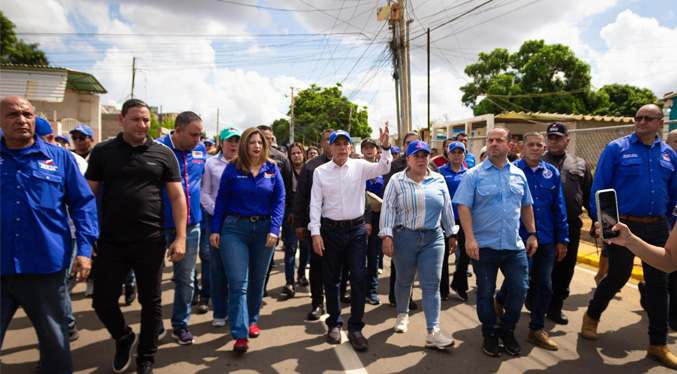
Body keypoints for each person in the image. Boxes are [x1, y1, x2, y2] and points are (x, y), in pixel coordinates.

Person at [86, 98, 187, 374]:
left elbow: (178, 197)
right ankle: (123, 336)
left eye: (146, 120)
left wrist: (180, 237)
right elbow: (86, 195)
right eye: (136, 119)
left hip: (150, 241)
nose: (142, 125)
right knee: (103, 301)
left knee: (151, 302)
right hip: (110, 242)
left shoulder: (163, 153)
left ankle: (146, 357)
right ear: (121, 120)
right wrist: (84, 237)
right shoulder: (103, 152)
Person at [1, 96, 98, 374]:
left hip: (44, 267)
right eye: (12, 114)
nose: (21, 119)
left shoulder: (59, 158)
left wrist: (84, 251)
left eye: (27, 114)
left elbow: (83, 204)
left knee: (55, 342)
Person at [581, 104, 677, 369]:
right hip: (623, 227)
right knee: (618, 275)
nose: (642, 121)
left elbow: (674, 193)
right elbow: (600, 188)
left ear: (660, 123)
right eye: (638, 117)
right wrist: (603, 222)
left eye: (648, 118)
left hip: (658, 227)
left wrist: (670, 223)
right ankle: (592, 315)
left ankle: (658, 344)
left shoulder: (669, 155)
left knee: (660, 283)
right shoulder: (616, 149)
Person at [453, 126, 538, 358]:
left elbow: (526, 205)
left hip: (514, 246)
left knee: (520, 289)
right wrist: (469, 239)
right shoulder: (474, 175)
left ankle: (507, 330)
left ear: (509, 145)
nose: (493, 143)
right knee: (485, 293)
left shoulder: (519, 174)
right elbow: (463, 207)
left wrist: (532, 234)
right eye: (490, 140)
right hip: (484, 247)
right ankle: (489, 333)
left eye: (499, 140)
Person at [309, 125, 392, 351]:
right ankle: (334, 323)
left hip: (356, 231)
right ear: (330, 147)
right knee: (333, 280)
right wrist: (315, 232)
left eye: (346, 144)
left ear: (350, 147)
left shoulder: (360, 166)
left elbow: (384, 167)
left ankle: (355, 327)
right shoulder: (320, 172)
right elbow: (315, 203)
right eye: (337, 144)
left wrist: (385, 146)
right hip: (330, 231)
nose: (342, 148)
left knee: (358, 277)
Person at [209, 127, 285, 353]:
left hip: (264, 230)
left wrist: (275, 227)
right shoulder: (232, 169)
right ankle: (240, 333)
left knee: (257, 280)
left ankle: (252, 320)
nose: (257, 146)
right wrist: (216, 229)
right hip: (234, 229)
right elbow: (221, 200)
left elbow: (279, 200)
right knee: (238, 282)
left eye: (260, 142)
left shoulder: (272, 168)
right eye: (252, 142)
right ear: (245, 145)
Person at [495, 132, 569, 351]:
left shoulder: (551, 173)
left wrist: (562, 239)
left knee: (544, 284)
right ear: (521, 147)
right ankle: (501, 303)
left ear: (544, 147)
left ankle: (536, 329)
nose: (535, 148)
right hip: (518, 237)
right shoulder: (510, 171)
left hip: (546, 238)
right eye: (531, 145)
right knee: (519, 281)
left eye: (539, 145)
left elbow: (559, 207)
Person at [380, 140, 457, 348]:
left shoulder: (439, 180)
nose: (421, 160)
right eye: (416, 156)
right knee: (404, 280)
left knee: (431, 285)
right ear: (407, 159)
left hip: (433, 238)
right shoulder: (397, 180)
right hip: (404, 237)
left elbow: (447, 209)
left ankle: (433, 331)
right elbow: (387, 209)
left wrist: (452, 233)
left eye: (424, 156)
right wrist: (386, 236)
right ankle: (402, 314)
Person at [155, 111, 206, 345]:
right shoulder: (156, 149)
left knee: (186, 278)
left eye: (200, 135)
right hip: (156, 225)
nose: (198, 140)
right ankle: (154, 323)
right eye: (193, 135)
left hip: (191, 224)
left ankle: (180, 325)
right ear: (177, 131)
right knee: (152, 279)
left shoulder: (201, 150)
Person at [541, 122, 593, 325]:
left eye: (558, 138)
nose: (554, 141)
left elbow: (588, 195)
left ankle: (555, 307)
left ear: (567, 140)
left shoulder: (579, 164)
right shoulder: (536, 162)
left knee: (565, 268)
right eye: (550, 137)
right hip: (543, 226)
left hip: (571, 225)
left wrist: (597, 221)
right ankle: (537, 302)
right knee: (542, 269)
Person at [201, 127, 240, 327]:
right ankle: (219, 311)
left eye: (236, 140)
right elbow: (205, 192)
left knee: (239, 269)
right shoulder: (210, 163)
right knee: (217, 267)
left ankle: (238, 311)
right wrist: (217, 211)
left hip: (240, 221)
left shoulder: (246, 162)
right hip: (216, 219)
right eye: (229, 141)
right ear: (221, 143)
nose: (233, 144)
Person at [439, 141, 469, 301]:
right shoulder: (440, 172)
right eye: (454, 152)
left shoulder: (469, 173)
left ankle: (459, 284)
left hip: (465, 218)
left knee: (466, 253)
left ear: (464, 154)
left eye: (460, 152)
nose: (457, 155)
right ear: (448, 154)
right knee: (443, 255)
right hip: (444, 218)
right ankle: (442, 289)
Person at [281, 142, 309, 297]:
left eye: (299, 152)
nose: (296, 156)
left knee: (305, 247)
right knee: (291, 248)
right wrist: (290, 210)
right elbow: (281, 193)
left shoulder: (309, 169)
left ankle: (302, 273)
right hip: (290, 215)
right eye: (293, 153)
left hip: (307, 215)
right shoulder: (286, 171)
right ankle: (289, 281)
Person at [361, 137, 384, 305]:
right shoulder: (357, 168)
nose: (369, 150)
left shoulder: (383, 168)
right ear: (361, 150)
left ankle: (371, 290)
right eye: (366, 147)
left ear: (377, 150)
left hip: (379, 218)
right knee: (358, 256)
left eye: (372, 147)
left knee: (374, 255)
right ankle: (359, 288)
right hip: (360, 218)